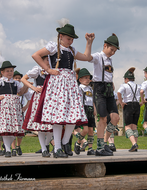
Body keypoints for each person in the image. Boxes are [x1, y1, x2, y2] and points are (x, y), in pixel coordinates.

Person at [32, 19, 95, 158]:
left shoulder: (72, 50)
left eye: (72, 39)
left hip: (71, 83)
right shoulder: (54, 47)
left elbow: (87, 57)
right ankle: (58, 148)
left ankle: (66, 142)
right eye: (68, 38)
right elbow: (35, 55)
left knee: (73, 115)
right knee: (58, 116)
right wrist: (48, 69)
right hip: (58, 83)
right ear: (61, 36)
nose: (70, 41)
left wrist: (89, 42)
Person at [88, 33, 120, 156]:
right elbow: (88, 57)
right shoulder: (98, 56)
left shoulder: (109, 60)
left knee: (115, 118)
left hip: (108, 89)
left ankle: (105, 143)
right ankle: (100, 148)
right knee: (103, 118)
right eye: (111, 50)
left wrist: (111, 82)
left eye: (115, 51)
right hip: (99, 88)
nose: (113, 52)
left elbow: (108, 73)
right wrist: (89, 42)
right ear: (105, 45)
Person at [21, 56, 53, 157]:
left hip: (51, 98)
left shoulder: (53, 69)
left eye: (50, 59)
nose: (49, 61)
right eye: (47, 59)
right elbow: (23, 78)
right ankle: (43, 148)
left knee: (52, 125)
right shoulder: (38, 69)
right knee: (40, 126)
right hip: (39, 97)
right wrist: (33, 87)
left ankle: (47, 145)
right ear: (42, 60)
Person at [0, 61, 27, 157]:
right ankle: (7, 149)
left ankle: (8, 146)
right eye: (7, 71)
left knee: (13, 128)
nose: (10, 72)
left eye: (11, 71)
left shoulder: (16, 83)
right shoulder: (1, 82)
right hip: (4, 107)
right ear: (2, 72)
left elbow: (22, 92)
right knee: (6, 127)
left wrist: (26, 84)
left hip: (14, 107)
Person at [117, 67, 141, 152]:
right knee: (134, 126)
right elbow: (142, 92)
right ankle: (135, 145)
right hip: (137, 105)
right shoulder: (138, 86)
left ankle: (134, 143)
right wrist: (141, 101)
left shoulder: (125, 85)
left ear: (127, 79)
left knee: (127, 126)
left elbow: (119, 92)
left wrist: (121, 102)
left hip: (128, 105)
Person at [74, 68, 96, 155]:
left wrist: (94, 109)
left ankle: (90, 148)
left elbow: (92, 100)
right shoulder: (79, 88)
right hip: (83, 109)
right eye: (85, 78)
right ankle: (78, 142)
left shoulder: (90, 89)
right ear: (80, 79)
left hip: (90, 109)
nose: (88, 80)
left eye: (89, 78)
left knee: (91, 130)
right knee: (85, 130)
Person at [11, 70, 33, 156]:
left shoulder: (22, 88)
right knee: (12, 129)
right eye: (16, 78)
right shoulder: (10, 86)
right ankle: (12, 148)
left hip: (19, 110)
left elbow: (29, 99)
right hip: (10, 110)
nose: (17, 79)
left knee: (20, 129)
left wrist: (25, 108)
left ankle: (18, 146)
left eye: (19, 78)